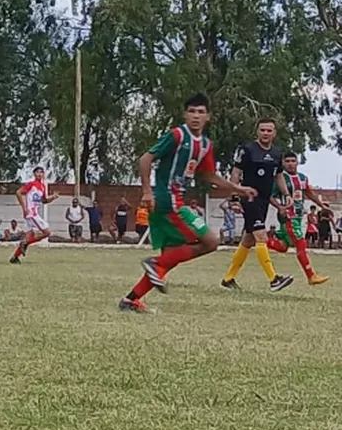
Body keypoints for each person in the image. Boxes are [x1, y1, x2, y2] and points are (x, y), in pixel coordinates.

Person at [119, 94, 255, 313]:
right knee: (210, 241)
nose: (196, 116)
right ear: (185, 114)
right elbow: (145, 159)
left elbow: (209, 176)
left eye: (201, 112)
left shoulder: (205, 145)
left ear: (208, 116)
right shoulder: (177, 135)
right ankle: (154, 263)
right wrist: (147, 192)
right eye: (192, 111)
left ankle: (131, 300)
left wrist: (237, 188)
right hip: (167, 201)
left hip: (177, 201)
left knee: (171, 257)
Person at [220, 119, 294, 292]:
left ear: (274, 133)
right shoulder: (247, 150)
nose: (265, 133)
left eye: (269, 130)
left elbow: (279, 176)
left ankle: (228, 279)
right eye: (262, 130)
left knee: (248, 239)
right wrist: (234, 197)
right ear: (257, 132)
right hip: (249, 198)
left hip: (264, 200)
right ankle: (274, 279)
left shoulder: (277, 153)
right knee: (261, 236)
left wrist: (287, 194)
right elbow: (236, 173)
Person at [266, 152, 329, 285]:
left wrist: (322, 205)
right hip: (288, 216)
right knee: (301, 244)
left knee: (283, 246)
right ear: (283, 163)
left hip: (299, 216)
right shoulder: (280, 178)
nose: (290, 164)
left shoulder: (303, 178)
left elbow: (310, 193)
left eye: (293, 161)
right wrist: (280, 207)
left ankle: (263, 240)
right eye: (287, 161)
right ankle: (311, 276)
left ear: (297, 162)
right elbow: (270, 196)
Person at [11, 167, 58, 264]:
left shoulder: (42, 186)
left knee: (29, 236)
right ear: (34, 174)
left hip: (33, 213)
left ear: (43, 174)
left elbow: (44, 200)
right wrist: (24, 207)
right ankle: (25, 243)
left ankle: (15, 257)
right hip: (32, 213)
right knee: (47, 232)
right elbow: (18, 193)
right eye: (37, 172)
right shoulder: (31, 184)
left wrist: (52, 198)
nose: (39, 174)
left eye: (41, 172)